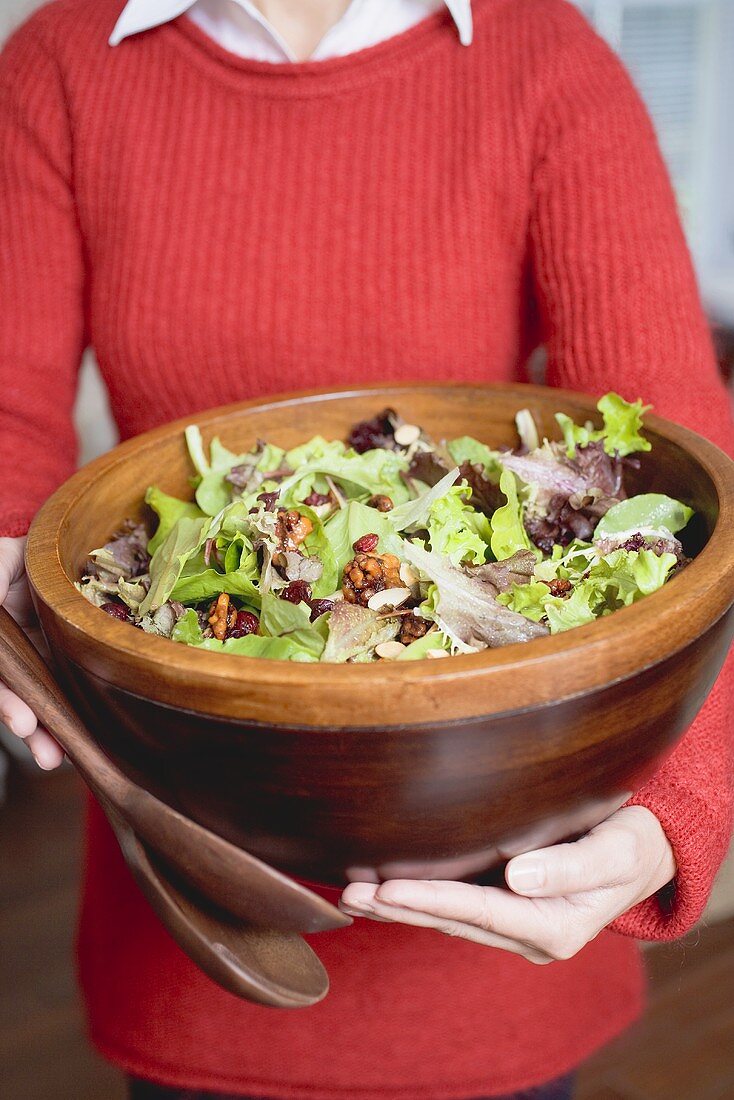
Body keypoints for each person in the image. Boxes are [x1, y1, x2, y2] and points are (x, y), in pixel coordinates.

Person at [0, 1, 731, 1098]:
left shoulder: (546, 62)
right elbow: (10, 427)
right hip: (199, 914)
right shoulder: (62, 65)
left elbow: (686, 498)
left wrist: (677, 802)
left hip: (499, 952)